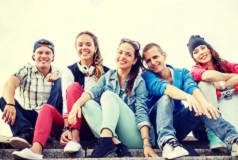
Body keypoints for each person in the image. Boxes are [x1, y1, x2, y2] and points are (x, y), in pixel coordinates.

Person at [141, 43, 238, 159]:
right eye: (148, 60)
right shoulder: (147, 76)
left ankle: (234, 140)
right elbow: (164, 88)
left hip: (176, 126)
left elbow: (192, 87)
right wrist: (188, 97)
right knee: (166, 97)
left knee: (201, 106)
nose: (152, 62)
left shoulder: (182, 73)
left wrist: (205, 104)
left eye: (155, 57)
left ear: (164, 55)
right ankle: (167, 143)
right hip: (156, 129)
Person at [12, 31, 109, 159]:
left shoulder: (107, 73)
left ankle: (75, 138)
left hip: (93, 127)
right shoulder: (69, 70)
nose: (84, 48)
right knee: (47, 108)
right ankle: (36, 149)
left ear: (95, 48)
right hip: (70, 123)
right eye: (80, 45)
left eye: (88, 44)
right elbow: (65, 100)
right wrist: (66, 128)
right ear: (76, 48)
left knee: (75, 88)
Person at [68, 38, 158, 158]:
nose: (122, 56)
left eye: (128, 54)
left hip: (135, 137)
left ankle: (106, 140)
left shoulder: (138, 82)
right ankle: (114, 143)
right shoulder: (108, 76)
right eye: (120, 52)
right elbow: (93, 92)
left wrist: (146, 144)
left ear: (135, 60)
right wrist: (76, 105)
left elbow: (142, 113)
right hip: (116, 136)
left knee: (108, 95)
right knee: (87, 103)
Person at [0, 39, 62, 149]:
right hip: (30, 118)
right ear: (33, 55)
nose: (43, 56)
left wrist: (61, 81)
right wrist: (10, 104)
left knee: (62, 82)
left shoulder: (59, 73)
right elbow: (9, 85)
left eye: (47, 53)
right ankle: (26, 133)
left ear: (53, 56)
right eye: (40, 52)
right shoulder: (25, 70)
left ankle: (46, 132)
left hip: (50, 118)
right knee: (4, 99)